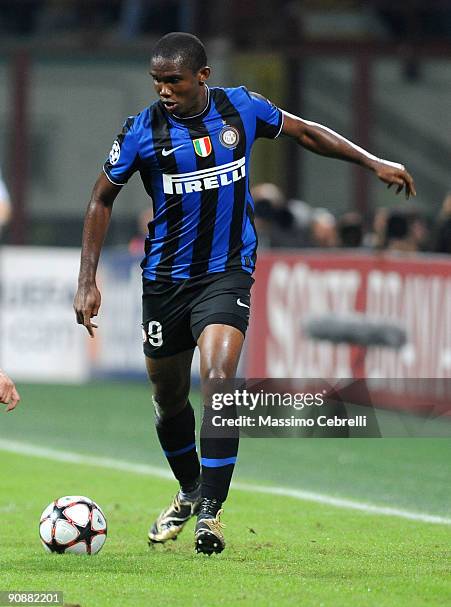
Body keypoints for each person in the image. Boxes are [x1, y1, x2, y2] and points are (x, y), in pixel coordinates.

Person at [73, 32, 416, 555]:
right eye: (157, 81)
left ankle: (211, 513)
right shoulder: (143, 131)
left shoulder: (242, 107)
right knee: (168, 398)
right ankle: (190, 490)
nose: (163, 90)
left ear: (202, 76)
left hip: (226, 272)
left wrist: (373, 163)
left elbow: (305, 133)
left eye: (174, 80)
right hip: (164, 281)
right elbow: (101, 199)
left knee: (218, 381)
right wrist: (86, 280)